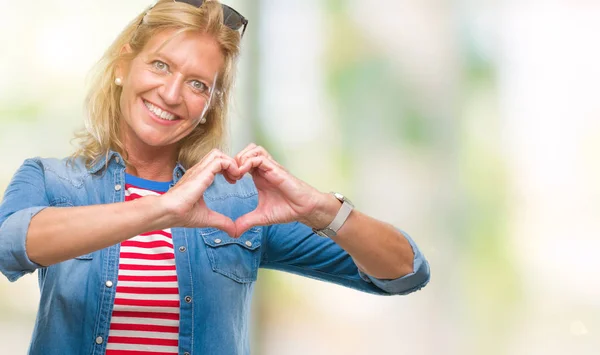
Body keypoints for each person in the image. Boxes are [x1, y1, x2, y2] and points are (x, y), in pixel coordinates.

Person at [0, 1, 430, 354]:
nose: (171, 95)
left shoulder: (239, 205)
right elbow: (9, 244)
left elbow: (405, 270)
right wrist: (162, 209)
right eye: (161, 65)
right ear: (123, 65)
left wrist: (320, 207)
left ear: (210, 104)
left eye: (198, 84)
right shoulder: (52, 181)